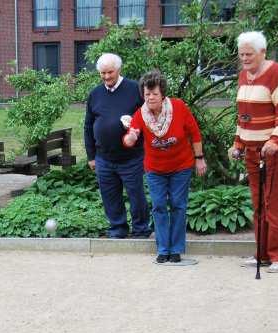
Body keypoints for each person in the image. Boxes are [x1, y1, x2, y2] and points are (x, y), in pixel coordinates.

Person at [122, 70, 207, 263]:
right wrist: (130, 137)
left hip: (181, 166)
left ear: (163, 94)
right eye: (147, 94)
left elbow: (194, 133)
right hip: (155, 169)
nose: (150, 97)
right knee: (159, 206)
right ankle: (163, 249)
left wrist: (199, 158)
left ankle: (176, 249)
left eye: (154, 94)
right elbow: (132, 134)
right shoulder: (140, 114)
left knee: (178, 205)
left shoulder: (178, 107)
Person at [229, 31, 278, 273]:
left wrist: (276, 140)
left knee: (275, 203)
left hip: (275, 151)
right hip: (252, 151)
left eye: (249, 54)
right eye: (242, 55)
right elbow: (243, 117)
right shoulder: (242, 77)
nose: (245, 59)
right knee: (258, 203)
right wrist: (238, 143)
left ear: (262, 52)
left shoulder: (276, 73)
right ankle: (263, 254)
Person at [84, 53, 151, 239]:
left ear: (119, 70)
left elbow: (148, 118)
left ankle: (141, 230)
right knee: (110, 196)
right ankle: (118, 229)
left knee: (136, 196)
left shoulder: (134, 89)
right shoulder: (95, 94)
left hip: (132, 157)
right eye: (102, 73)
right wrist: (91, 156)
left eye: (110, 72)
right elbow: (88, 125)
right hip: (103, 157)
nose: (106, 77)